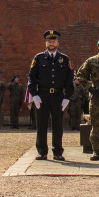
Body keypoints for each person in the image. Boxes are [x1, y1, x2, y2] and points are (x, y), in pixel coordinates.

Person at [28, 29, 75, 161]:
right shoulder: (38, 58)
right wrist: (34, 95)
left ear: (58, 43)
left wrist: (67, 97)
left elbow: (69, 80)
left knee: (58, 125)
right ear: (46, 43)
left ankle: (57, 152)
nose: (51, 43)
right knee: (41, 125)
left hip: (58, 96)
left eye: (54, 41)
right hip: (42, 95)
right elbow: (31, 78)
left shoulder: (65, 59)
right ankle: (42, 152)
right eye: (49, 41)